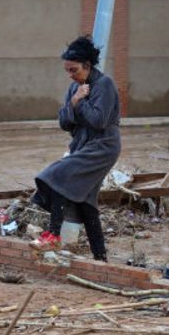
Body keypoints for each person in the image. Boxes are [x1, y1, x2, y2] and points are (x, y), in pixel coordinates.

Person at [31, 35, 121, 261]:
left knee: (58, 176)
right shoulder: (75, 89)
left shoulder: (104, 85)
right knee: (85, 202)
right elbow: (63, 122)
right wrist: (74, 102)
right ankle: (101, 257)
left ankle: (52, 234)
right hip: (82, 145)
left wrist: (80, 102)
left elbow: (99, 120)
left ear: (87, 66)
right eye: (68, 71)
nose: (71, 75)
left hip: (103, 146)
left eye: (74, 70)